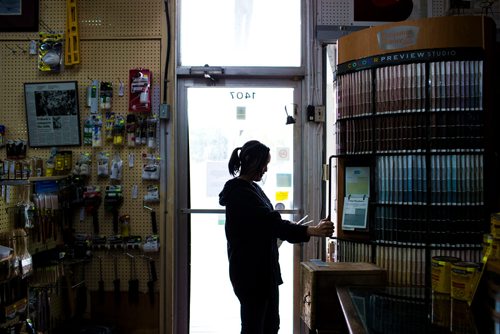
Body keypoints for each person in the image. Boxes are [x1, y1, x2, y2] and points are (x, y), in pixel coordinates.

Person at [219, 140, 334, 334]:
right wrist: (312, 230)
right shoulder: (240, 193)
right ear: (253, 162)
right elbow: (271, 223)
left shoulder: (250, 188)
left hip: (262, 270)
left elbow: (268, 224)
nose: (265, 170)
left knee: (269, 324)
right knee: (255, 326)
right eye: (264, 164)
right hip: (251, 273)